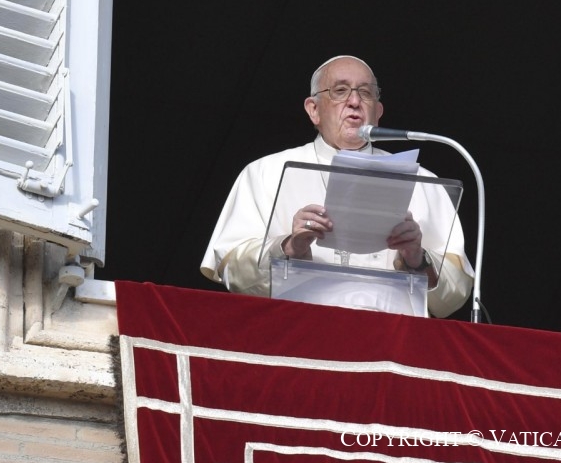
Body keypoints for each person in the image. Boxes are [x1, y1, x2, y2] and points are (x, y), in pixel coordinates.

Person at [200, 55, 473, 317]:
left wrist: (417, 258)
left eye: (365, 93)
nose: (354, 101)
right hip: (299, 331)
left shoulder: (424, 182)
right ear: (313, 110)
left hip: (393, 337)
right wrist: (288, 248)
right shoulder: (265, 172)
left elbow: (454, 294)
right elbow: (232, 270)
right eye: (340, 91)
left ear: (377, 112)